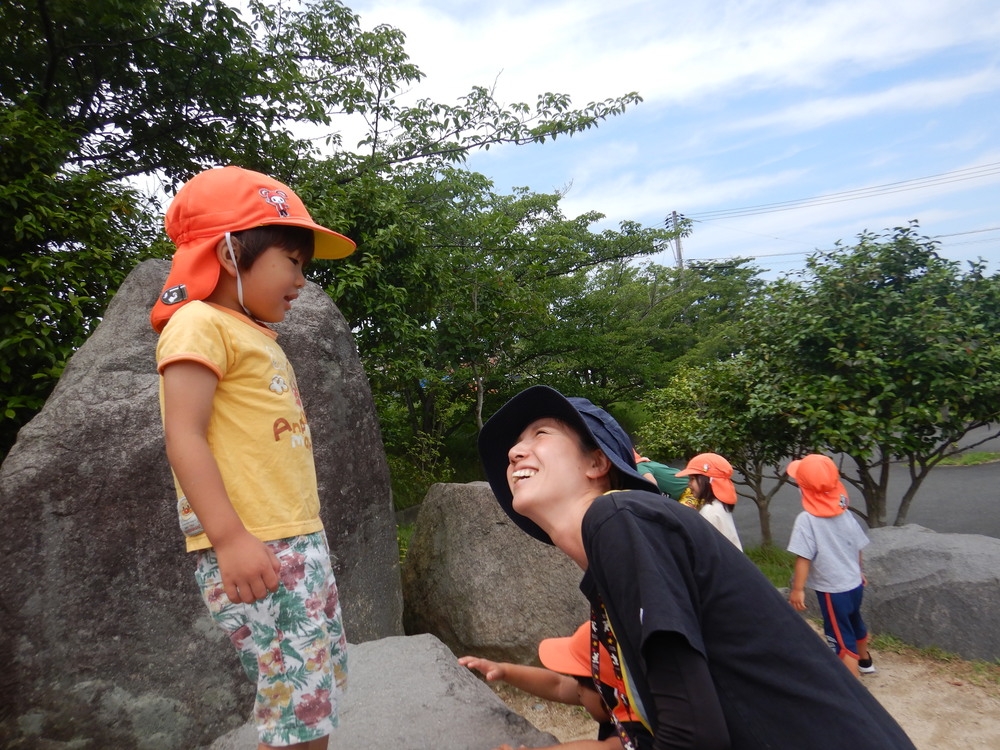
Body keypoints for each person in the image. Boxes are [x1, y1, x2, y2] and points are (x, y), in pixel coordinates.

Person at [477, 385, 916, 750]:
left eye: (540, 433)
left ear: (597, 463)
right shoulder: (618, 555)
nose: (516, 451)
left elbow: (692, 740)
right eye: (518, 443)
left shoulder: (620, 519)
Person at [154, 166, 356, 750]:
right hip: (255, 541)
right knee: (297, 706)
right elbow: (183, 435)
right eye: (293, 261)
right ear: (228, 250)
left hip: (294, 537)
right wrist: (230, 539)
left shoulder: (250, 332)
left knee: (315, 692)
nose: (301, 279)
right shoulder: (197, 324)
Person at [459, 622, 653, 750]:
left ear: (605, 691)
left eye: (580, 683)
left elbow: (603, 748)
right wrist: (505, 671)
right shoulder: (620, 697)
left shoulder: (638, 728)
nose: (577, 690)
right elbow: (557, 685)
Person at [786, 453, 876, 678]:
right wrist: (859, 571)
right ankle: (865, 662)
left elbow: (803, 558)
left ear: (803, 490)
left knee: (840, 634)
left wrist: (798, 590)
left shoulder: (806, 520)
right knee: (855, 621)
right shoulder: (845, 514)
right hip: (854, 584)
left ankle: (852, 684)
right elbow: (857, 546)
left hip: (832, 590)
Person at [674, 453, 743, 550]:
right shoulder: (718, 506)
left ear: (708, 480)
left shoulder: (710, 511)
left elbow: (707, 549)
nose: (689, 484)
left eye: (692, 479)